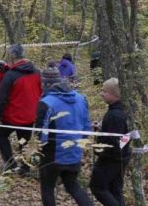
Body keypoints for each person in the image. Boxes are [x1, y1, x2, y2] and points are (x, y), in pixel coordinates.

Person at [35, 71, 94, 206]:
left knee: (48, 188)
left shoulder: (46, 103)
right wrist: (81, 145)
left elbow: (40, 132)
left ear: (46, 84)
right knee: (73, 186)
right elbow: (86, 126)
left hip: (52, 154)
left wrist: (39, 150)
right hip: (74, 151)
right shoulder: (81, 99)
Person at [0, 44, 42, 174]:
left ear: (12, 55)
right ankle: (25, 167)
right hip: (30, 115)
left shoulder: (10, 75)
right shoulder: (37, 72)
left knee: (0, 135)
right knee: (24, 140)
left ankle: (11, 163)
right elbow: (41, 92)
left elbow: (2, 97)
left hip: (13, 116)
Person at [89, 78, 130, 206]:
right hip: (120, 158)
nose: (102, 93)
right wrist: (102, 128)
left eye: (105, 91)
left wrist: (102, 152)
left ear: (114, 94)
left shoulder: (115, 115)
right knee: (115, 190)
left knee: (97, 187)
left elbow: (114, 141)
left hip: (112, 159)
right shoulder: (117, 111)